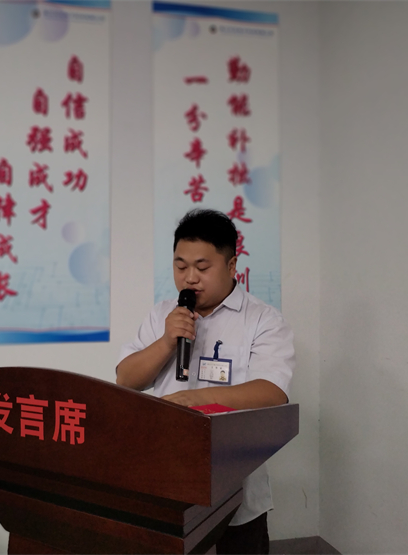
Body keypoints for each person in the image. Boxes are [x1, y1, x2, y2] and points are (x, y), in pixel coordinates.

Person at [116, 209, 295, 555]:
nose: (190, 278)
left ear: (231, 266)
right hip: (169, 475)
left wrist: (194, 400)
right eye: (180, 266)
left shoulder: (263, 320)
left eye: (202, 267)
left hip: (237, 477)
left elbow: (272, 391)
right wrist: (166, 341)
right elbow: (126, 379)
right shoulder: (162, 315)